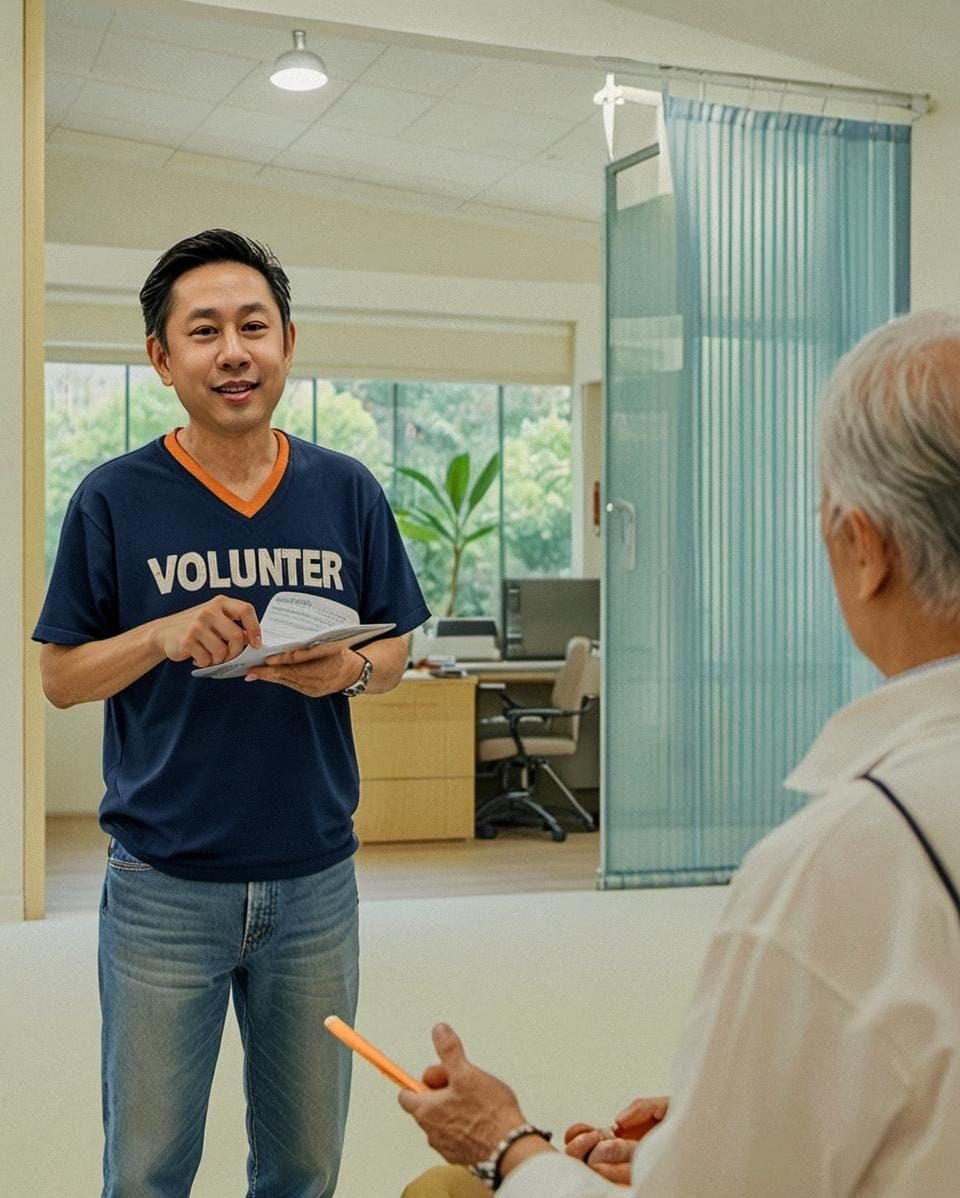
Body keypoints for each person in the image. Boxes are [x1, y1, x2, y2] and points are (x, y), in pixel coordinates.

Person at [399, 309, 960, 1196]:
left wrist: (506, 1142)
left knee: (440, 1191)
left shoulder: (840, 870)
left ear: (864, 546)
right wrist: (708, 1127)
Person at [34, 228, 430, 1198]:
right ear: (162, 359)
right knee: (148, 1168)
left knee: (303, 1165)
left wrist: (346, 669)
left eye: (254, 325)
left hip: (316, 884)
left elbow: (396, 648)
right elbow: (62, 675)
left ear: (289, 341)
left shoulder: (345, 489)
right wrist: (160, 637)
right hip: (163, 885)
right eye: (203, 331)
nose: (234, 351)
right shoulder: (115, 497)